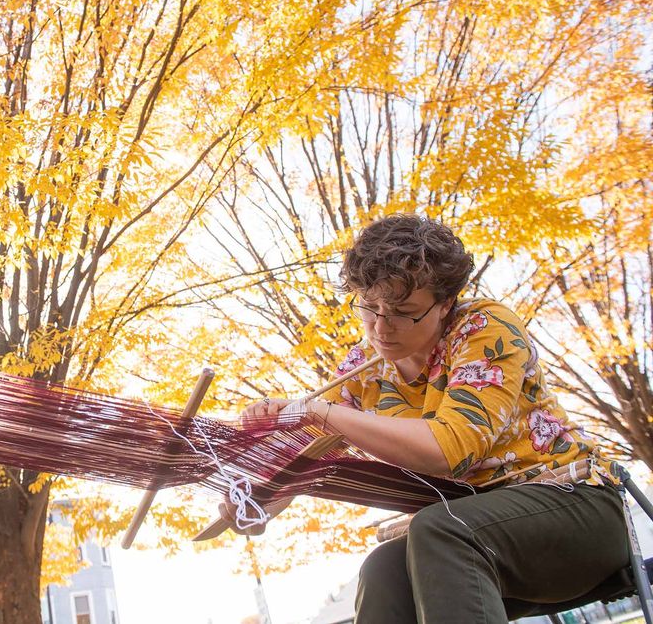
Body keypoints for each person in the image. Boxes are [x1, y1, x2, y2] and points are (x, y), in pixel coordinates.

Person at [233, 214, 629, 623]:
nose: (381, 327)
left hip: (579, 508)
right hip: (478, 534)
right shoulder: (363, 369)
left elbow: (451, 449)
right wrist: (253, 503)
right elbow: (304, 458)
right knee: (383, 568)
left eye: (404, 311)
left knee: (439, 528)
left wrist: (320, 412)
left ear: (444, 304)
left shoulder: (482, 327)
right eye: (369, 307)